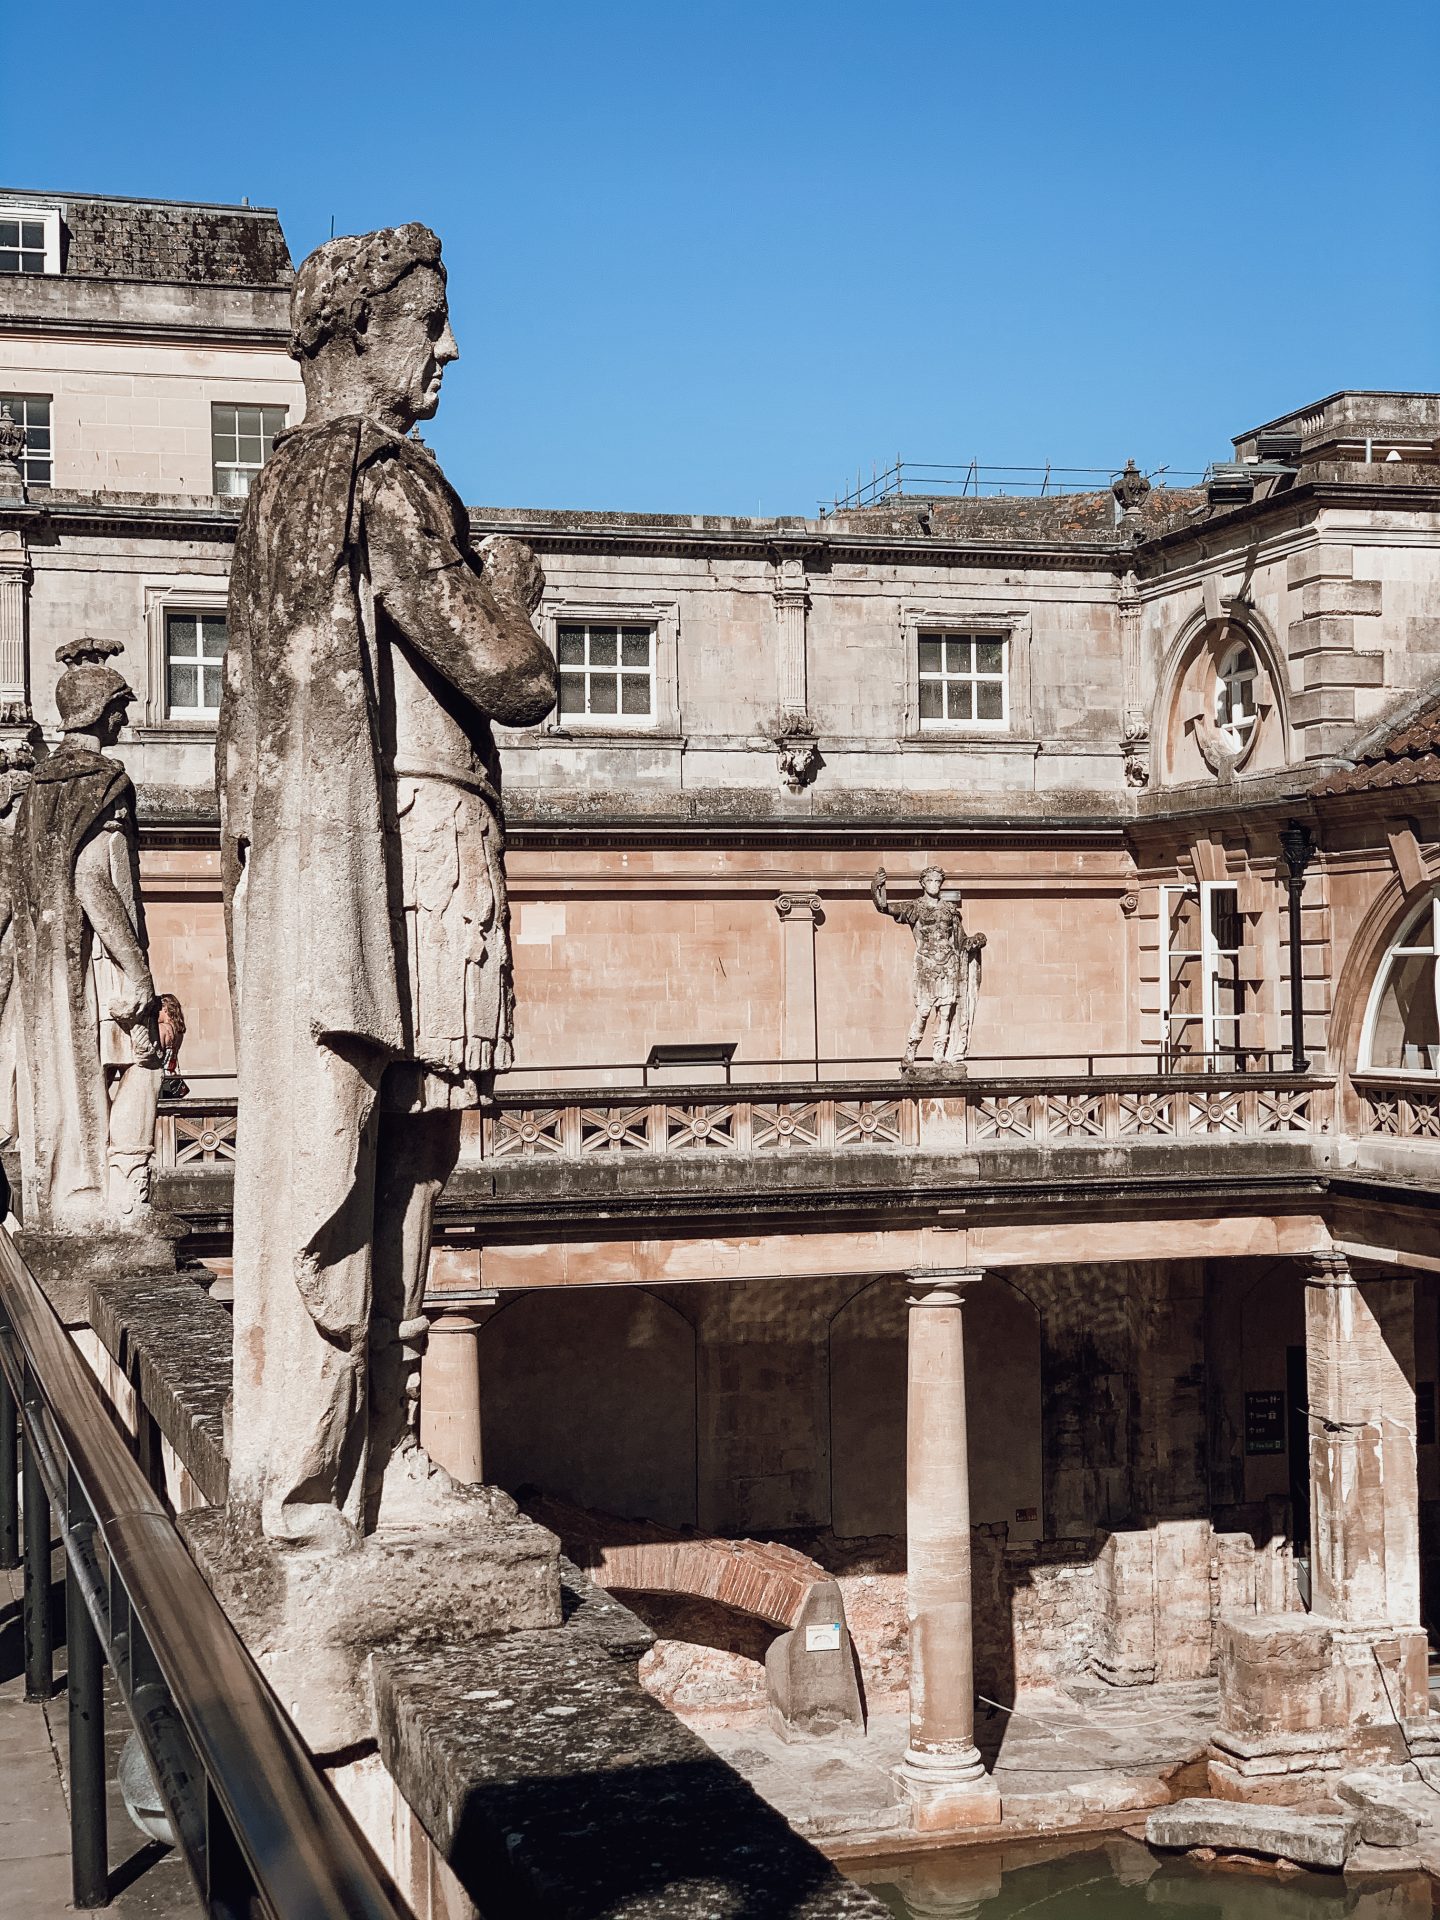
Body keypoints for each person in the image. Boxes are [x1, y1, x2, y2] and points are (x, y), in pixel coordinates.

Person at [220, 224, 556, 1548]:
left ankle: (365, 1447)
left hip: (331, 857)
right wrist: (513, 590)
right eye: (431, 320)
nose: (451, 346)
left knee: (384, 1137)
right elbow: (507, 673)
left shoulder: (278, 489)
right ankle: (365, 1454)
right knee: (399, 1140)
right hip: (401, 847)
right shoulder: (372, 476)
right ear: (365, 333)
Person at [12, 642, 169, 1228]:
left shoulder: (39, 787)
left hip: (59, 965)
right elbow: (94, 881)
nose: (126, 720)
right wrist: (138, 969)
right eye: (120, 707)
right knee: (143, 1060)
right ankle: (125, 1195)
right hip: (102, 958)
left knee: (93, 1073)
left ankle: (85, 1187)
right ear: (101, 712)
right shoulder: (105, 780)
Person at [872, 864, 986, 1067]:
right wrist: (877, 888)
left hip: (949, 964)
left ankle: (939, 1054)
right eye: (931, 881)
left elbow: (960, 940)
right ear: (923, 883)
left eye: (938, 881)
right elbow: (883, 907)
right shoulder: (914, 907)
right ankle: (911, 1051)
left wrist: (976, 940)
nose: (935, 885)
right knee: (923, 1012)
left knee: (945, 1012)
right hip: (926, 963)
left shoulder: (949, 909)